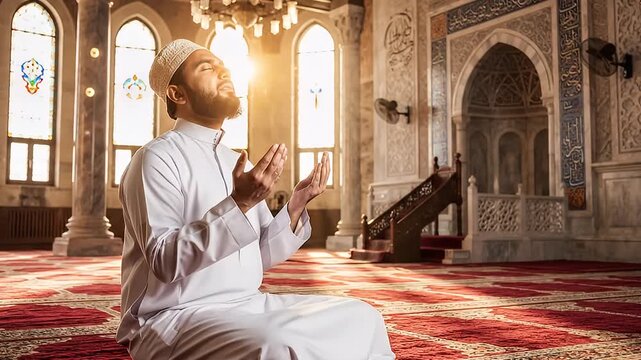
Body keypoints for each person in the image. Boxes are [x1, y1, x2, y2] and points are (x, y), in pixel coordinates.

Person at [116, 39, 395, 360]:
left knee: (363, 316)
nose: (223, 71)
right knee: (274, 344)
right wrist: (239, 203)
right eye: (207, 67)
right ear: (177, 94)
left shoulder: (238, 161)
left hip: (248, 304)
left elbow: (257, 255)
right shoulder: (155, 157)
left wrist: (296, 205)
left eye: (223, 65)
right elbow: (165, 262)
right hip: (175, 316)